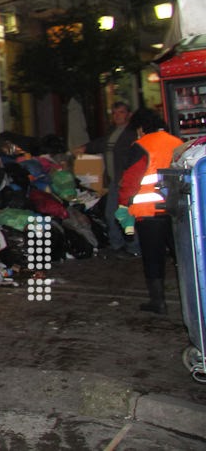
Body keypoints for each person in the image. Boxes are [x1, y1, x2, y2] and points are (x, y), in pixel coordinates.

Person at [117, 107, 184, 314]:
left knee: (153, 257)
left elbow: (131, 179)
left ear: (141, 128)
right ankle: (192, 296)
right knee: (181, 256)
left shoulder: (141, 146)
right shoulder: (177, 143)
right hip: (177, 210)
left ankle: (158, 301)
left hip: (149, 211)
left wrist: (123, 205)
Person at [73, 101, 138, 254]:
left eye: (121, 112)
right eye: (115, 113)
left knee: (121, 215)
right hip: (115, 181)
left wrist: (128, 176)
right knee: (114, 215)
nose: (117, 116)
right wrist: (85, 148)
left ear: (128, 114)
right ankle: (121, 245)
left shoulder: (131, 133)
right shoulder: (113, 132)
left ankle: (131, 246)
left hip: (125, 181)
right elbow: (102, 144)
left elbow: (136, 157)